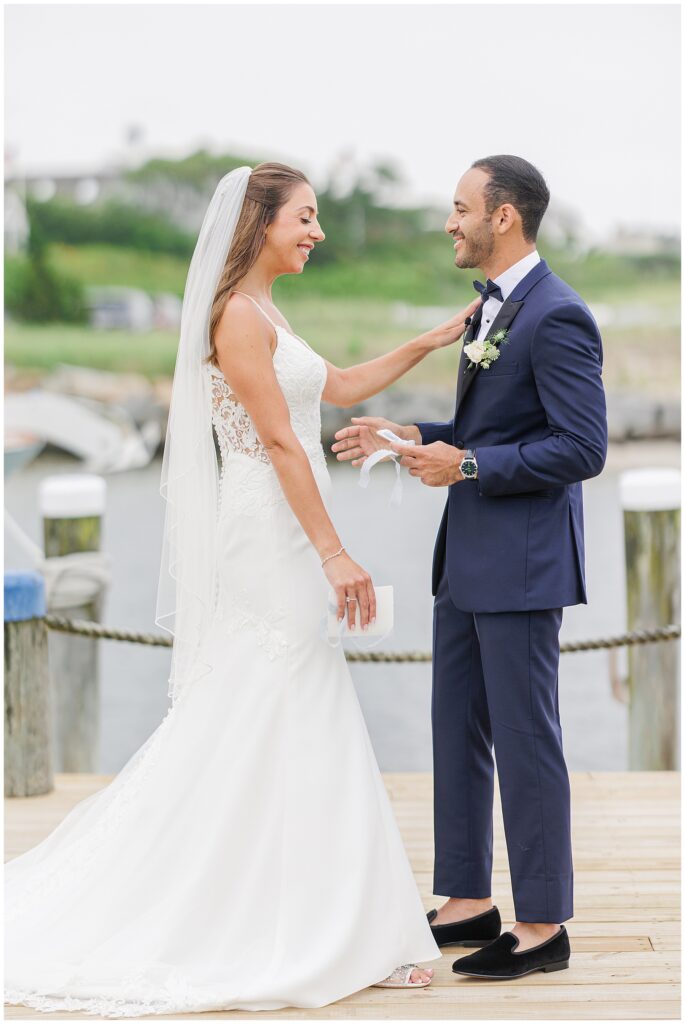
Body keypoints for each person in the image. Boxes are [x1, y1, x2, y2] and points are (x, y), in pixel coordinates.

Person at [4, 162, 480, 1016]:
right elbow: (281, 446)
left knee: (296, 705)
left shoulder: (265, 310)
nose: (318, 232)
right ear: (259, 222)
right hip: (268, 536)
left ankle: (331, 918)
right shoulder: (235, 318)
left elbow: (333, 390)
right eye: (304, 217)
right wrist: (336, 553)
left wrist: (431, 340)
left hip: (286, 529)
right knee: (281, 699)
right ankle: (319, 925)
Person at [333, 155, 608, 980]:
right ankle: (465, 900)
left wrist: (470, 468)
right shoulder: (493, 309)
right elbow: (487, 423)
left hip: (523, 563)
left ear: (506, 217)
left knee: (526, 739)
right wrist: (416, 436)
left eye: (460, 208)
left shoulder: (556, 314)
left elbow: (581, 447)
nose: (448, 222)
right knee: (453, 726)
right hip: (466, 558)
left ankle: (540, 925)